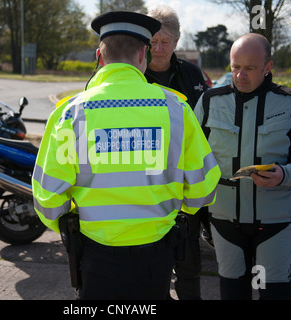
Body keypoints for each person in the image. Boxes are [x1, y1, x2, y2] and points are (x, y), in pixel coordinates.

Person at [32, 11, 221, 300]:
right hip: (157, 256)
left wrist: (74, 221)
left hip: (95, 255)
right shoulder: (176, 110)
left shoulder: (70, 114)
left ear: (99, 55)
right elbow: (203, 188)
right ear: (144, 54)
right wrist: (175, 212)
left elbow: (47, 197)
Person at [194, 33, 291, 300]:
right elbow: (191, 158)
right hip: (224, 223)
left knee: (271, 293)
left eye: (250, 68)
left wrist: (284, 175)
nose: (240, 75)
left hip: (274, 224)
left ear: (268, 67)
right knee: (233, 293)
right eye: (235, 67)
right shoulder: (209, 101)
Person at [146, 4, 209, 300]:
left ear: (176, 42)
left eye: (165, 42)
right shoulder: (133, 75)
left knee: (188, 260)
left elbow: (205, 126)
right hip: (146, 184)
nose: (158, 49)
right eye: (152, 42)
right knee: (151, 262)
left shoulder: (193, 75)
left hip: (184, 181)